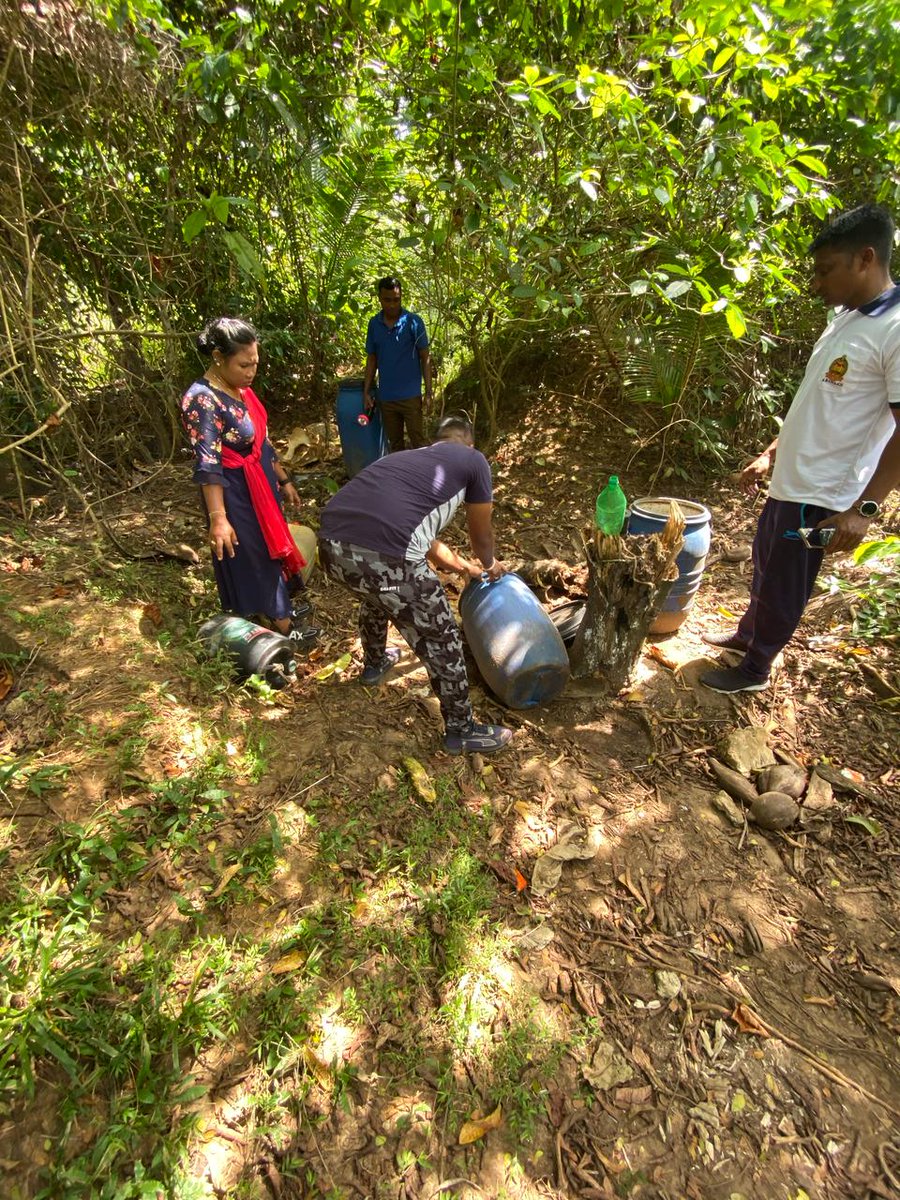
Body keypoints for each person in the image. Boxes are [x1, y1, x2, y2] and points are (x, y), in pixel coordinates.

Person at [701, 203, 900, 694]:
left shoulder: (895, 329)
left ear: (865, 259)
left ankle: (754, 670)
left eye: (825, 270)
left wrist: (866, 510)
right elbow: (816, 397)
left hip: (824, 492)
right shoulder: (846, 319)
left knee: (786, 583)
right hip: (791, 478)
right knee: (767, 566)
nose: (817, 283)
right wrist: (771, 451)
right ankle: (748, 636)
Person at [318, 415, 513, 755]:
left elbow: (422, 539)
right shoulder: (473, 460)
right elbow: (481, 534)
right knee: (442, 638)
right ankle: (461, 730)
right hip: (388, 558)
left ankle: (375, 663)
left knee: (379, 595)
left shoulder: (406, 460)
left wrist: (462, 567)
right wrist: (488, 563)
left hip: (332, 548)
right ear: (469, 443)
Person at [180, 317, 317, 646]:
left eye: (255, 363)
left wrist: (283, 479)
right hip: (234, 493)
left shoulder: (239, 390)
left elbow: (261, 441)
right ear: (217, 357)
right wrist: (218, 518)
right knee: (254, 555)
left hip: (259, 485)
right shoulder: (202, 399)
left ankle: (277, 611)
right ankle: (282, 629)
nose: (251, 371)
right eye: (244, 364)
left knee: (270, 549)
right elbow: (208, 463)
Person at [363, 276, 432, 451]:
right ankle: (400, 478)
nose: (392, 305)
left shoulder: (413, 322)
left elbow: (425, 357)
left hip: (411, 396)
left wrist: (429, 392)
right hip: (386, 397)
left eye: (396, 300)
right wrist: (366, 391)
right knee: (395, 446)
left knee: (419, 442)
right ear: (379, 298)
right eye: (387, 300)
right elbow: (372, 359)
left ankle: (424, 477)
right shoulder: (374, 324)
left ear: (401, 297)